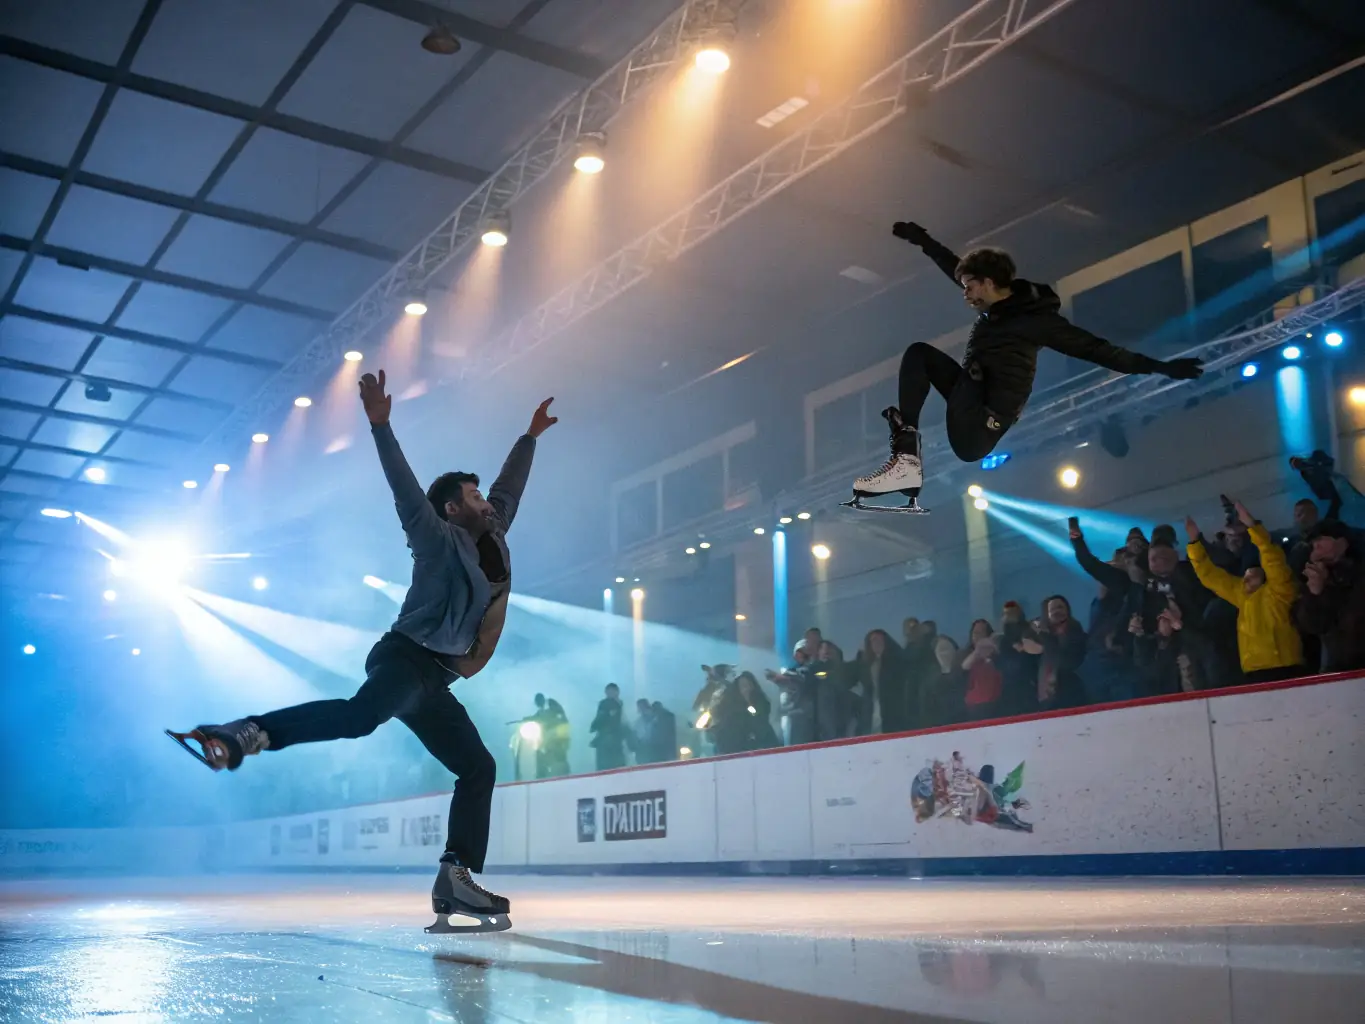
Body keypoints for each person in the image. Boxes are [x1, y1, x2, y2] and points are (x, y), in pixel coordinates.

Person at [166, 369, 557, 933]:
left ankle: (456, 875)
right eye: (474, 496)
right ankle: (244, 732)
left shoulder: (493, 531)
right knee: (360, 717)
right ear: (451, 509)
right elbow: (404, 487)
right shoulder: (433, 535)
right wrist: (381, 427)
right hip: (404, 658)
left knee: (478, 766)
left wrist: (530, 436)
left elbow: (510, 487)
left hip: (436, 679)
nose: (487, 502)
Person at [850, 223, 1203, 504]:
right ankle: (906, 461)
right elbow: (955, 268)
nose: (965, 294)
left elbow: (1099, 350)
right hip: (970, 400)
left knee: (965, 372)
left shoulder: (1036, 321)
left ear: (989, 282)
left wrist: (1163, 367)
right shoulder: (994, 307)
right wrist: (923, 240)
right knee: (919, 355)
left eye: (970, 286)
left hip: (984, 421)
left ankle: (908, 462)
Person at [1186, 502, 1304, 684]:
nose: (1247, 579)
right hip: (1253, 673)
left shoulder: (1280, 591)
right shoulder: (1241, 594)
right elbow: (1209, 576)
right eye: (1245, 575)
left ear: (1263, 574)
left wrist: (1252, 527)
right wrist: (1194, 544)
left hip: (1285, 668)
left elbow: (1272, 558)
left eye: (1253, 574)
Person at [1296, 521, 1365, 672]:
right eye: (1313, 542)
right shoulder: (1315, 578)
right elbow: (1313, 626)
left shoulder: (1359, 576)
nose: (1316, 545)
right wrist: (1315, 593)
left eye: (1321, 539)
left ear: (1342, 543)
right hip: (1336, 668)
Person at [588, 683, 628, 771]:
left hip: (612, 740)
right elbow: (600, 719)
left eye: (612, 691)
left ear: (617, 692)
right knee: (610, 766)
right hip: (607, 741)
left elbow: (622, 722)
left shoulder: (618, 704)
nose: (609, 693)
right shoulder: (606, 703)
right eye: (608, 692)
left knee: (613, 766)